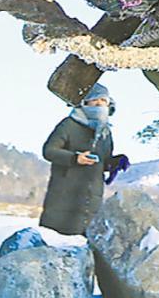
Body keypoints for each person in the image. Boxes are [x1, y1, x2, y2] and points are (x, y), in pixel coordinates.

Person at [40, 83, 130, 237]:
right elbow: (49, 151)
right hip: (65, 195)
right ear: (84, 102)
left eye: (104, 100)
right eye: (95, 100)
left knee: (85, 241)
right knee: (56, 240)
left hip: (91, 198)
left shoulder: (105, 132)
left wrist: (115, 162)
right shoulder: (69, 125)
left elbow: (102, 162)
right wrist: (75, 158)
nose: (99, 104)